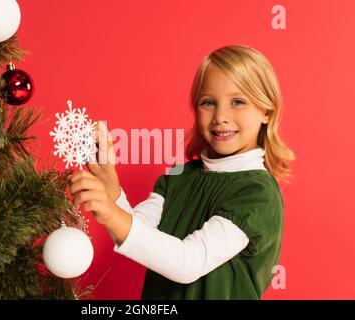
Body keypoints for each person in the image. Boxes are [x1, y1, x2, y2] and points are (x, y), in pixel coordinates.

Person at [67, 45, 295, 299]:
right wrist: (111, 189)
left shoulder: (256, 193)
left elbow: (188, 262)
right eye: (208, 102)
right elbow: (139, 235)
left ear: (266, 111)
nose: (220, 116)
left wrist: (110, 211)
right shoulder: (179, 176)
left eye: (238, 102)